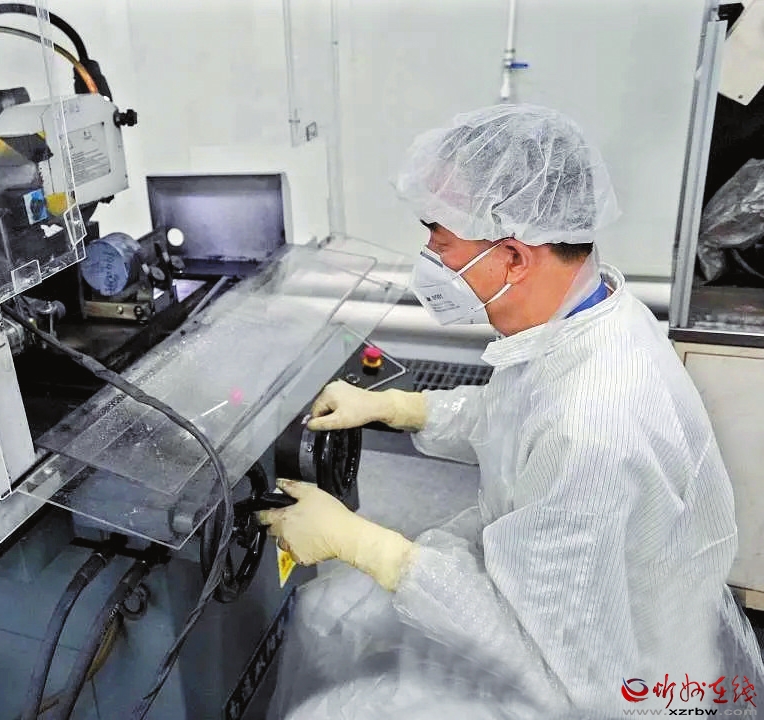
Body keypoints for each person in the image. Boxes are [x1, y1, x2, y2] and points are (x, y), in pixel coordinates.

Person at [257, 104, 764, 718]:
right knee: (325, 612)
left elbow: (545, 663)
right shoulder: (590, 315)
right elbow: (518, 414)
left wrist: (368, 547)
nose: (430, 257)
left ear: (515, 257)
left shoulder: (592, 426)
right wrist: (396, 406)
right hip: (568, 604)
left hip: (609, 685)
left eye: (440, 239)